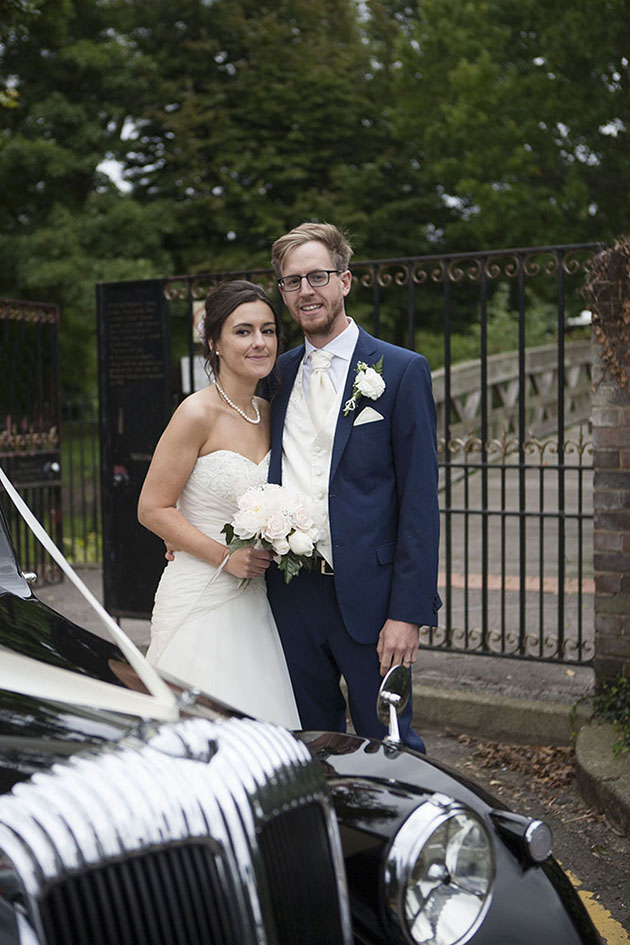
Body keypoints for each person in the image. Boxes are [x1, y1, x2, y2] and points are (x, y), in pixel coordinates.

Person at [265, 222, 441, 752]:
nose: (305, 292)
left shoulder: (401, 371)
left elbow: (418, 502)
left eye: (317, 277)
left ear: (345, 280)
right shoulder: (275, 375)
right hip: (291, 593)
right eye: (292, 282)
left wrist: (407, 613)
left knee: (389, 741)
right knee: (310, 744)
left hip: (371, 597)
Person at [137, 280, 300, 728]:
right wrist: (225, 558)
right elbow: (152, 508)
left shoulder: (271, 413)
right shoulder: (195, 413)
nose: (260, 342)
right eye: (243, 331)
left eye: (268, 331)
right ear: (215, 342)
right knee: (194, 731)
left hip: (255, 598)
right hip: (200, 592)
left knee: (256, 728)